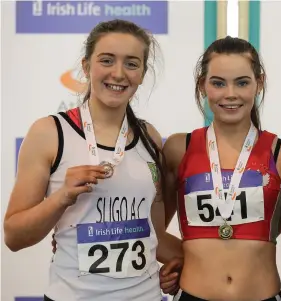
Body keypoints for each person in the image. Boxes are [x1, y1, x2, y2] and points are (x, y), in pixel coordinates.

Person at [3, 19, 182, 301]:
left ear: (143, 73)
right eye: (107, 60)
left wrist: (187, 263)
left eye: (132, 64)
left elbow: (155, 234)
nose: (119, 73)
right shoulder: (49, 133)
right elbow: (14, 237)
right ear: (87, 67)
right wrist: (61, 197)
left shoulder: (149, 137)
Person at [158, 36, 281, 301]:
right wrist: (181, 258)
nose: (230, 94)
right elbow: (151, 229)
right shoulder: (179, 149)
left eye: (242, 82)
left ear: (259, 83)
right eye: (218, 83)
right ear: (202, 86)